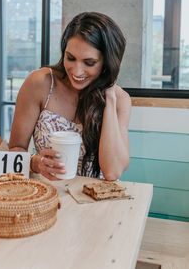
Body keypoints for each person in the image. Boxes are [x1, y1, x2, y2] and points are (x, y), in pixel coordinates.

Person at [9, 12, 131, 181]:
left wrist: (109, 96)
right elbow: (15, 149)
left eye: (89, 63)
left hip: (98, 201)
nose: (77, 71)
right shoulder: (40, 83)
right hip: (49, 194)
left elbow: (112, 172)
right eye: (70, 58)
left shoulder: (120, 100)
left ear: (107, 63)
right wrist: (35, 162)